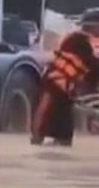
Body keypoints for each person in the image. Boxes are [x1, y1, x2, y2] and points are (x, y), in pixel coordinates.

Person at [32, 8, 99, 147]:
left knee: (61, 128)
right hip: (58, 84)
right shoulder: (83, 41)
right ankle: (40, 139)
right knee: (48, 118)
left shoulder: (72, 39)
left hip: (67, 87)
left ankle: (46, 140)